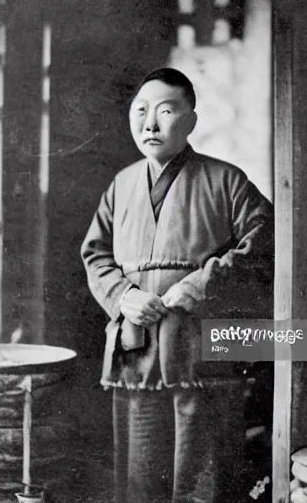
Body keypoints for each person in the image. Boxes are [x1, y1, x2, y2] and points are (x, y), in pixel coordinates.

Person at [81, 68, 274, 503]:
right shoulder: (121, 185)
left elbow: (266, 243)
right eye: (141, 111)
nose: (150, 124)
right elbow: (95, 255)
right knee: (141, 476)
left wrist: (201, 285)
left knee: (203, 477)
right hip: (137, 349)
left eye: (166, 111)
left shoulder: (225, 181)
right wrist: (123, 296)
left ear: (191, 120)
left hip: (199, 350)